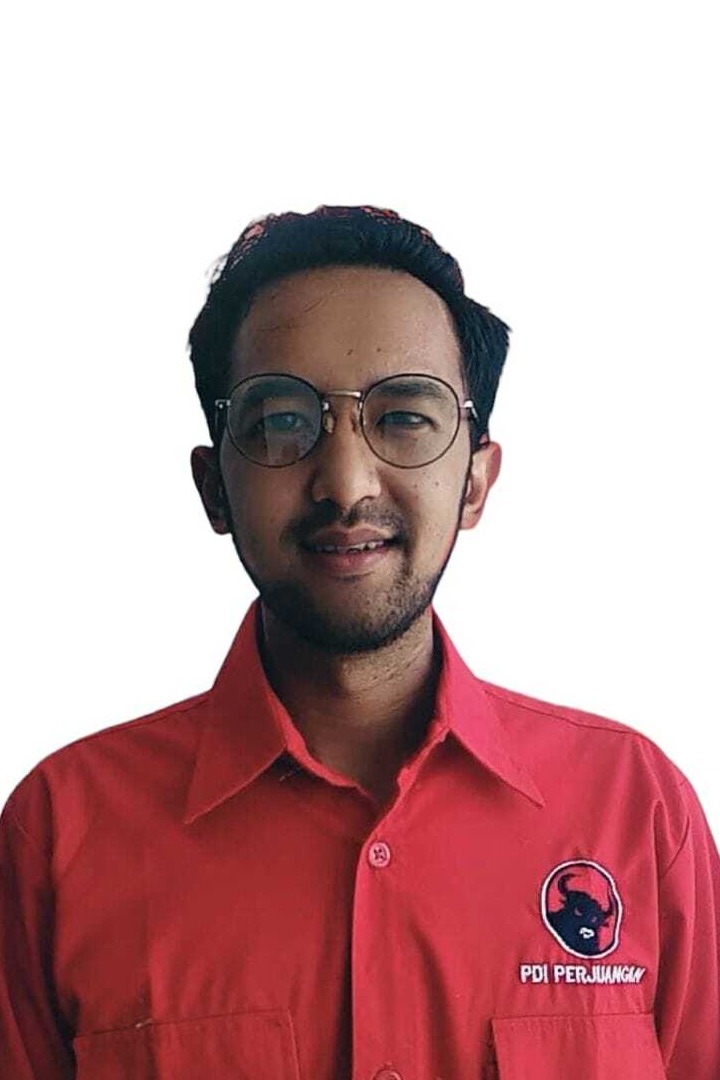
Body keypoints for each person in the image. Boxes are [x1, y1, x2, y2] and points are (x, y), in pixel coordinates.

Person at [1, 205, 718, 1080]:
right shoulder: (62, 836)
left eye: (404, 417)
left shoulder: (637, 812)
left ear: (475, 480)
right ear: (213, 487)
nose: (345, 485)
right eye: (281, 422)